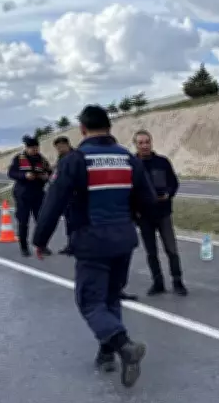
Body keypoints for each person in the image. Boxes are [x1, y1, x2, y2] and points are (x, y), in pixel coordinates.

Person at [32, 105, 158, 388]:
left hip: (92, 241)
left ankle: (124, 346)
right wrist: (133, 222)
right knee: (111, 298)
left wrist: (40, 240)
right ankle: (106, 354)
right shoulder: (128, 158)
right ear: (109, 127)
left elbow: (53, 202)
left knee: (90, 301)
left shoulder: (75, 160)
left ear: (82, 129)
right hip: (124, 240)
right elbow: (149, 200)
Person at [132, 129, 187, 297]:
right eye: (140, 143)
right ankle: (158, 283)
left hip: (163, 213)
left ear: (151, 142)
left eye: (147, 142)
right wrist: (134, 213)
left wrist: (168, 194)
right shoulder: (132, 165)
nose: (144, 145)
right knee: (151, 252)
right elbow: (129, 191)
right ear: (135, 145)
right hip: (144, 216)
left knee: (171, 249)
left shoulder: (162, 162)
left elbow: (174, 183)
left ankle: (177, 281)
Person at [7, 135, 53, 257]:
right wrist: (24, 176)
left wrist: (46, 176)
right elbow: (11, 173)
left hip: (38, 194)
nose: (35, 150)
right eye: (32, 148)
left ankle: (42, 246)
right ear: (27, 148)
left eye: (36, 148)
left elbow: (50, 172)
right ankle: (24, 247)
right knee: (23, 222)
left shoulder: (42, 160)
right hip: (23, 195)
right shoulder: (19, 159)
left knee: (41, 221)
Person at [52, 136, 75, 255]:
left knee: (76, 222)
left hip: (75, 195)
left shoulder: (75, 157)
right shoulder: (61, 157)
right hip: (65, 196)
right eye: (57, 148)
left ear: (67, 144)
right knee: (69, 221)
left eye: (61, 147)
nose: (59, 149)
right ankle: (71, 245)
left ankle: (76, 245)